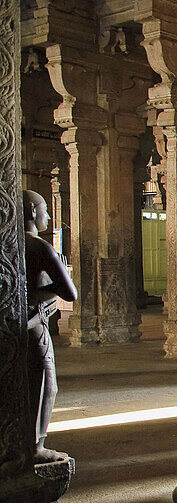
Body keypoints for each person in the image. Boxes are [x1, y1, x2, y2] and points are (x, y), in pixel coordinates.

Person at [23, 190, 77, 463]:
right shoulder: (40, 247)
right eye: (44, 210)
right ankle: (36, 447)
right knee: (45, 384)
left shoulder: (9, 244)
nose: (47, 216)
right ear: (32, 211)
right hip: (34, 327)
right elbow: (70, 293)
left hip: (12, 325)